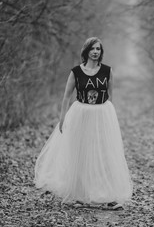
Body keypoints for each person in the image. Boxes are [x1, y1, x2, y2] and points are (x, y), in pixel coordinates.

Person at [34, 37, 132, 210]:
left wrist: (111, 118)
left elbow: (111, 96)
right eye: (93, 49)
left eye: (99, 49)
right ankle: (78, 195)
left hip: (102, 113)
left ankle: (107, 195)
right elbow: (66, 96)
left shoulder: (108, 71)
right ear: (86, 51)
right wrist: (62, 118)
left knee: (103, 153)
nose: (96, 52)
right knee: (81, 153)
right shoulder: (76, 72)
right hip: (80, 113)